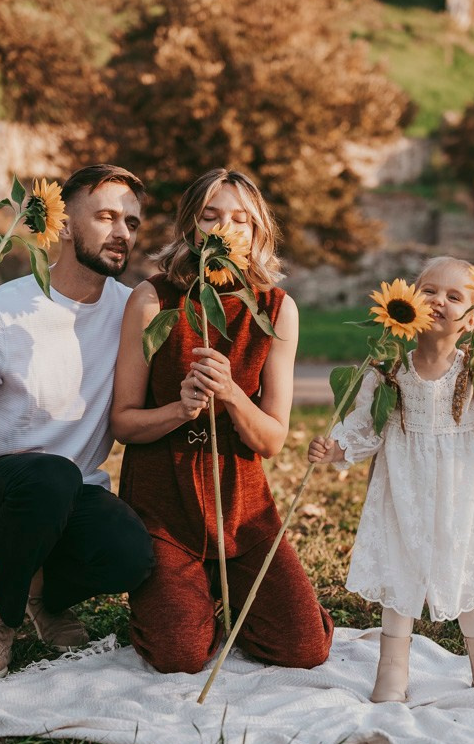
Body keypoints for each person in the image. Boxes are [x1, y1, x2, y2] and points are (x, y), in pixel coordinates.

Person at [0, 164, 154, 683]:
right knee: (50, 474)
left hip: (69, 496)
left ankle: (42, 601)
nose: (121, 234)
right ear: (64, 224)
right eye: (106, 216)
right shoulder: (6, 310)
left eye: (131, 223)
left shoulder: (130, 311)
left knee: (132, 553)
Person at [111, 168, 333, 674]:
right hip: (164, 504)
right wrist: (180, 408)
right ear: (191, 228)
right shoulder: (153, 301)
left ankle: (222, 594)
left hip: (242, 505)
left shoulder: (277, 309)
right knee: (179, 655)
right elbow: (123, 423)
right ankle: (186, 597)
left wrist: (232, 393)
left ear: (258, 234)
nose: (224, 230)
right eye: (210, 217)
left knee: (305, 648)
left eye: (240, 220)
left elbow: (273, 438)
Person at [308, 256, 474, 701]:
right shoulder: (388, 372)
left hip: (462, 493)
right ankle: (392, 672)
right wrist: (336, 449)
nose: (438, 300)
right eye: (429, 291)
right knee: (400, 578)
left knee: (468, 576)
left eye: (453, 296)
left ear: (472, 320)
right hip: (403, 489)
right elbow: (369, 427)